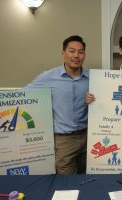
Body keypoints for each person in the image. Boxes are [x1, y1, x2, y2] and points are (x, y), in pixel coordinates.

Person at [25, 35, 89, 174]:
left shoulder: (92, 78)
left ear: (84, 55)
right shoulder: (48, 77)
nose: (76, 55)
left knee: (87, 178)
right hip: (63, 141)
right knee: (66, 182)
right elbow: (24, 96)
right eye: (72, 51)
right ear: (63, 53)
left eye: (81, 51)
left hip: (88, 138)